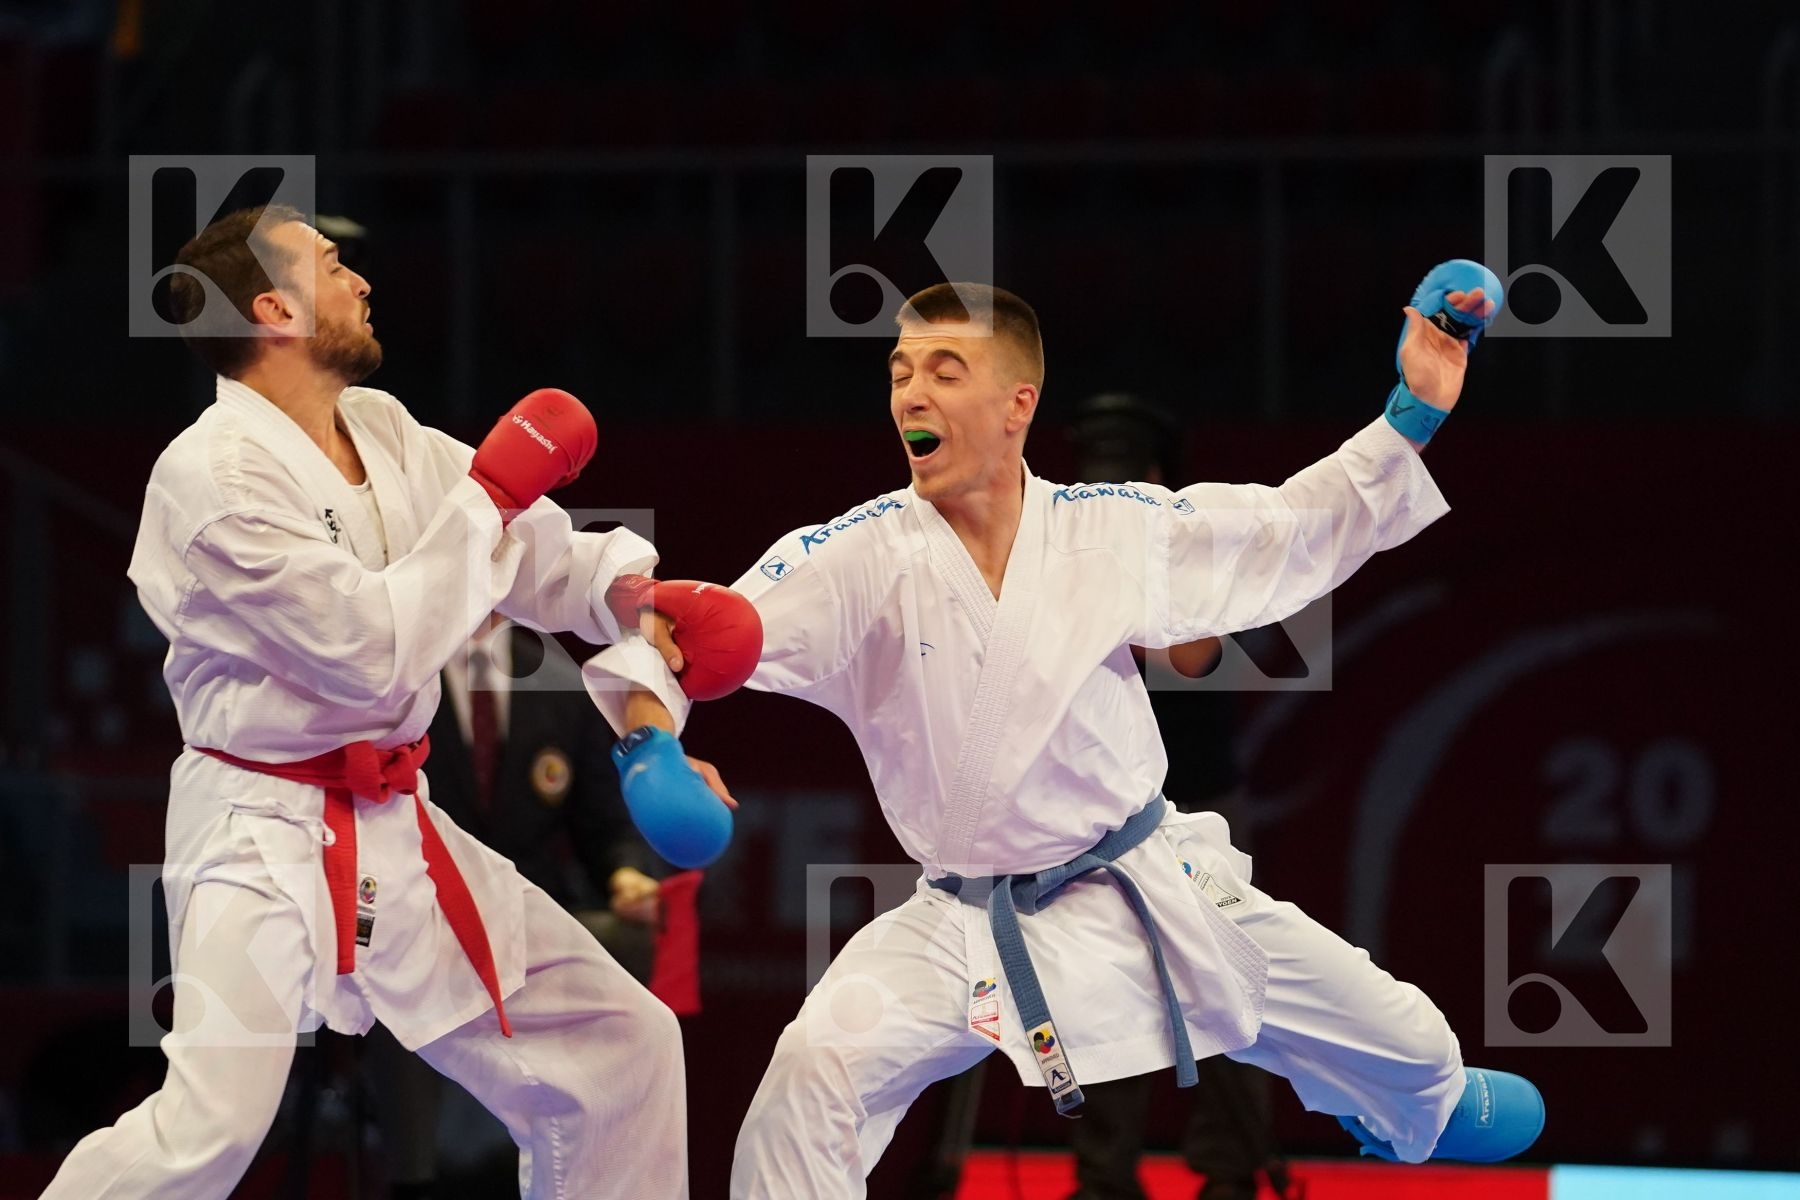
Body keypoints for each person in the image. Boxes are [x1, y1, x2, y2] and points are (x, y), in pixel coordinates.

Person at [586, 276, 1544, 1198]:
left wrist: (1414, 409)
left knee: (1417, 1048)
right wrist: (651, 742)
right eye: (899, 371)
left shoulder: (1108, 529)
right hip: (958, 925)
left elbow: (1289, 524)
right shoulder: (855, 556)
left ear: (1017, 404)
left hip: (1148, 889)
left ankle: (1412, 1108)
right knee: (810, 1080)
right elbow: (691, 631)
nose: (911, 392)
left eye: (945, 371)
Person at [40, 203, 734, 1200]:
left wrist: (632, 593)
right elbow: (369, 653)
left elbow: (537, 554)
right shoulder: (211, 480)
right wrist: (488, 500)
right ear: (275, 307)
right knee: (209, 1132)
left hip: (396, 830)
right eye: (331, 266)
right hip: (259, 835)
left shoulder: (386, 431)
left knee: (622, 1047)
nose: (360, 281)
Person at [365, 612, 676, 1199]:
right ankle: (416, 1181)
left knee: (633, 981)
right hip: (417, 913)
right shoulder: (393, 670)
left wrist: (629, 874)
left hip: (527, 921)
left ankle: (578, 1165)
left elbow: (605, 825)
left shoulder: (561, 680)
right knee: (389, 967)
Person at [1061, 393, 1287, 1200]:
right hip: (1098, 824)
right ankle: (1104, 1178)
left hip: (1201, 814)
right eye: (1092, 478)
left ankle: (1230, 1172)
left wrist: (1120, 591)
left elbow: (1191, 658)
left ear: (1155, 480)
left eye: (1121, 477)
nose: (1105, 492)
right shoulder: (1056, 549)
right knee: (1103, 994)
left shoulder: (1187, 547)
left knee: (1224, 988)